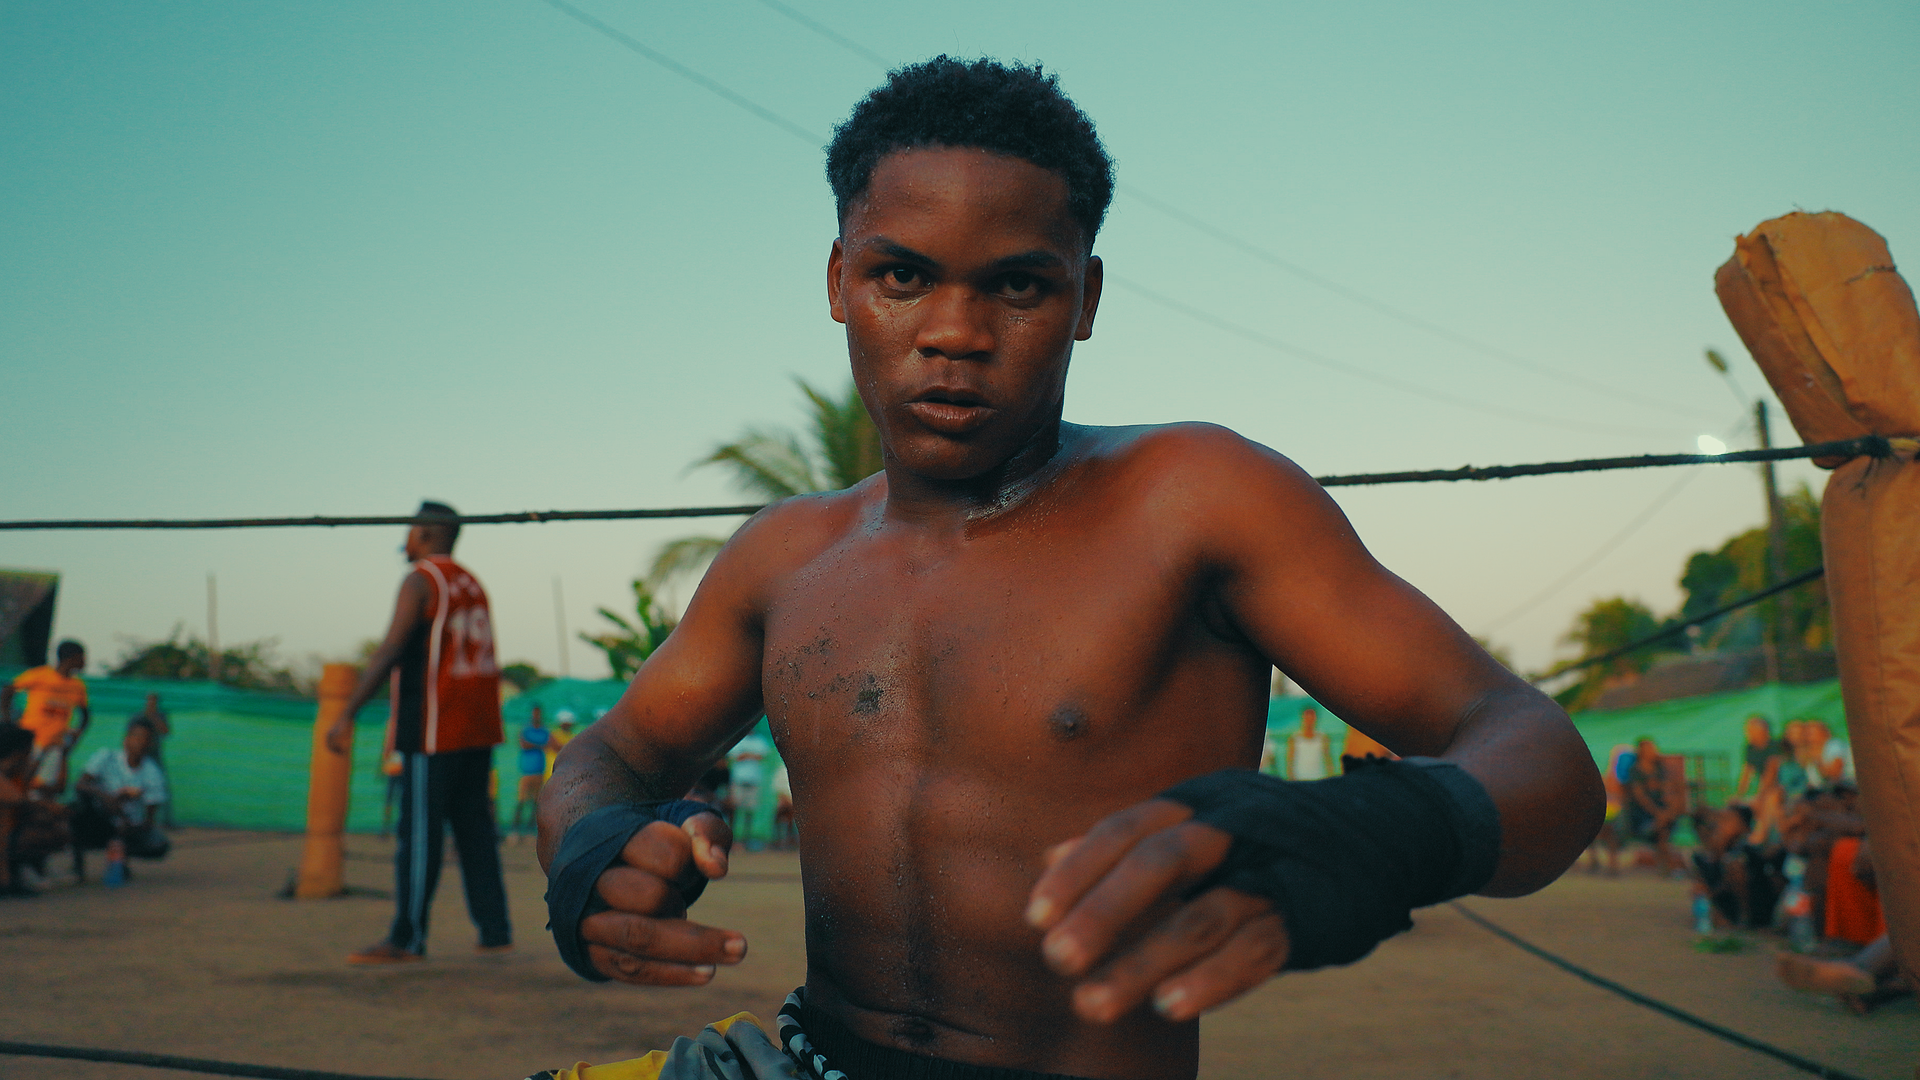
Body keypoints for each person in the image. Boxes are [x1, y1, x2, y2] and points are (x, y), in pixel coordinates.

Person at [534, 57, 1601, 1080]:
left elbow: (1542, 760)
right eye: (902, 276)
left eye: (1017, 287)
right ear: (839, 280)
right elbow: (614, 753)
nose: (954, 333)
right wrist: (593, 848)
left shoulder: (1194, 500)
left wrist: (1380, 831)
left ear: (1085, 300)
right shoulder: (785, 553)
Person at [326, 501, 511, 964]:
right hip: (478, 726)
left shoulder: (421, 581)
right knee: (474, 832)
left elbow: (391, 647)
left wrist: (347, 711)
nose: (405, 539)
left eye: (410, 530)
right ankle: (495, 928)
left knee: (420, 834)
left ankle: (406, 938)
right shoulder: (472, 583)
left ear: (427, 534)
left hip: (436, 727)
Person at [71, 717, 171, 878]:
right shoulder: (106, 757)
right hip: (99, 817)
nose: (141, 742)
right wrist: (107, 798)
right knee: (78, 807)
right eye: (137, 737)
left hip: (127, 824)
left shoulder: (153, 772)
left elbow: (149, 820)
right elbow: (80, 784)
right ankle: (78, 864)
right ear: (126, 739)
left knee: (158, 844)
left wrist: (130, 824)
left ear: (151, 744)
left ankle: (120, 859)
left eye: (146, 739)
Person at [3, 640, 91, 763]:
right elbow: (8, 691)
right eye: (82, 658)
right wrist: (8, 721)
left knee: (44, 781)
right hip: (30, 740)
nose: (84, 662)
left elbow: (85, 716)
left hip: (55, 745)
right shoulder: (41, 675)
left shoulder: (78, 686)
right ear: (71, 658)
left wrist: (75, 737)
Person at [1625, 736, 1682, 874]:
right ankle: (1666, 866)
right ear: (1641, 752)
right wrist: (1658, 813)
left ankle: (1666, 865)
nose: (1653, 751)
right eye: (1649, 749)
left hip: (1661, 814)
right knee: (1661, 826)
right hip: (1642, 816)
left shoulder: (1659, 769)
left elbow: (1668, 791)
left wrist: (1669, 810)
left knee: (1663, 824)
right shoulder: (1635, 771)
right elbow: (1641, 798)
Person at [131, 693, 173, 825]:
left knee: (161, 786)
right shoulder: (138, 716)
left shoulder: (160, 716)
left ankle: (167, 820)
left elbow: (166, 732)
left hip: (155, 756)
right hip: (140, 756)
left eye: (154, 701)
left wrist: (153, 717)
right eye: (149, 700)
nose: (151, 703)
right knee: (135, 784)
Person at [513, 706, 551, 842]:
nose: (536, 716)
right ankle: (515, 830)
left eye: (538, 713)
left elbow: (549, 744)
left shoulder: (544, 730)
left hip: (539, 772)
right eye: (535, 713)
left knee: (535, 803)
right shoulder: (526, 729)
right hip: (527, 772)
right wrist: (539, 745)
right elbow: (524, 744)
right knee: (521, 801)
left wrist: (535, 744)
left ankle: (529, 831)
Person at [726, 730, 771, 848]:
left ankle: (746, 838)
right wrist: (751, 755)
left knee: (749, 811)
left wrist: (746, 754)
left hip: (754, 781)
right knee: (734, 809)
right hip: (739, 780)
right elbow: (735, 756)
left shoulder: (760, 741)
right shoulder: (738, 739)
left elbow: (762, 756)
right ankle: (732, 838)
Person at [1284, 707, 1333, 782]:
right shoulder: (1294, 738)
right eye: (1307, 719)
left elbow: (1328, 760)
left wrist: (1330, 779)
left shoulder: (1323, 738)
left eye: (1311, 719)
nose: (1309, 722)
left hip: (1319, 779)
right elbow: (1290, 761)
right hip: (1299, 779)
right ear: (1303, 719)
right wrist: (1291, 779)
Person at [545, 711, 576, 782]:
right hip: (553, 771)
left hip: (566, 771)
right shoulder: (554, 735)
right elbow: (558, 748)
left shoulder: (572, 736)